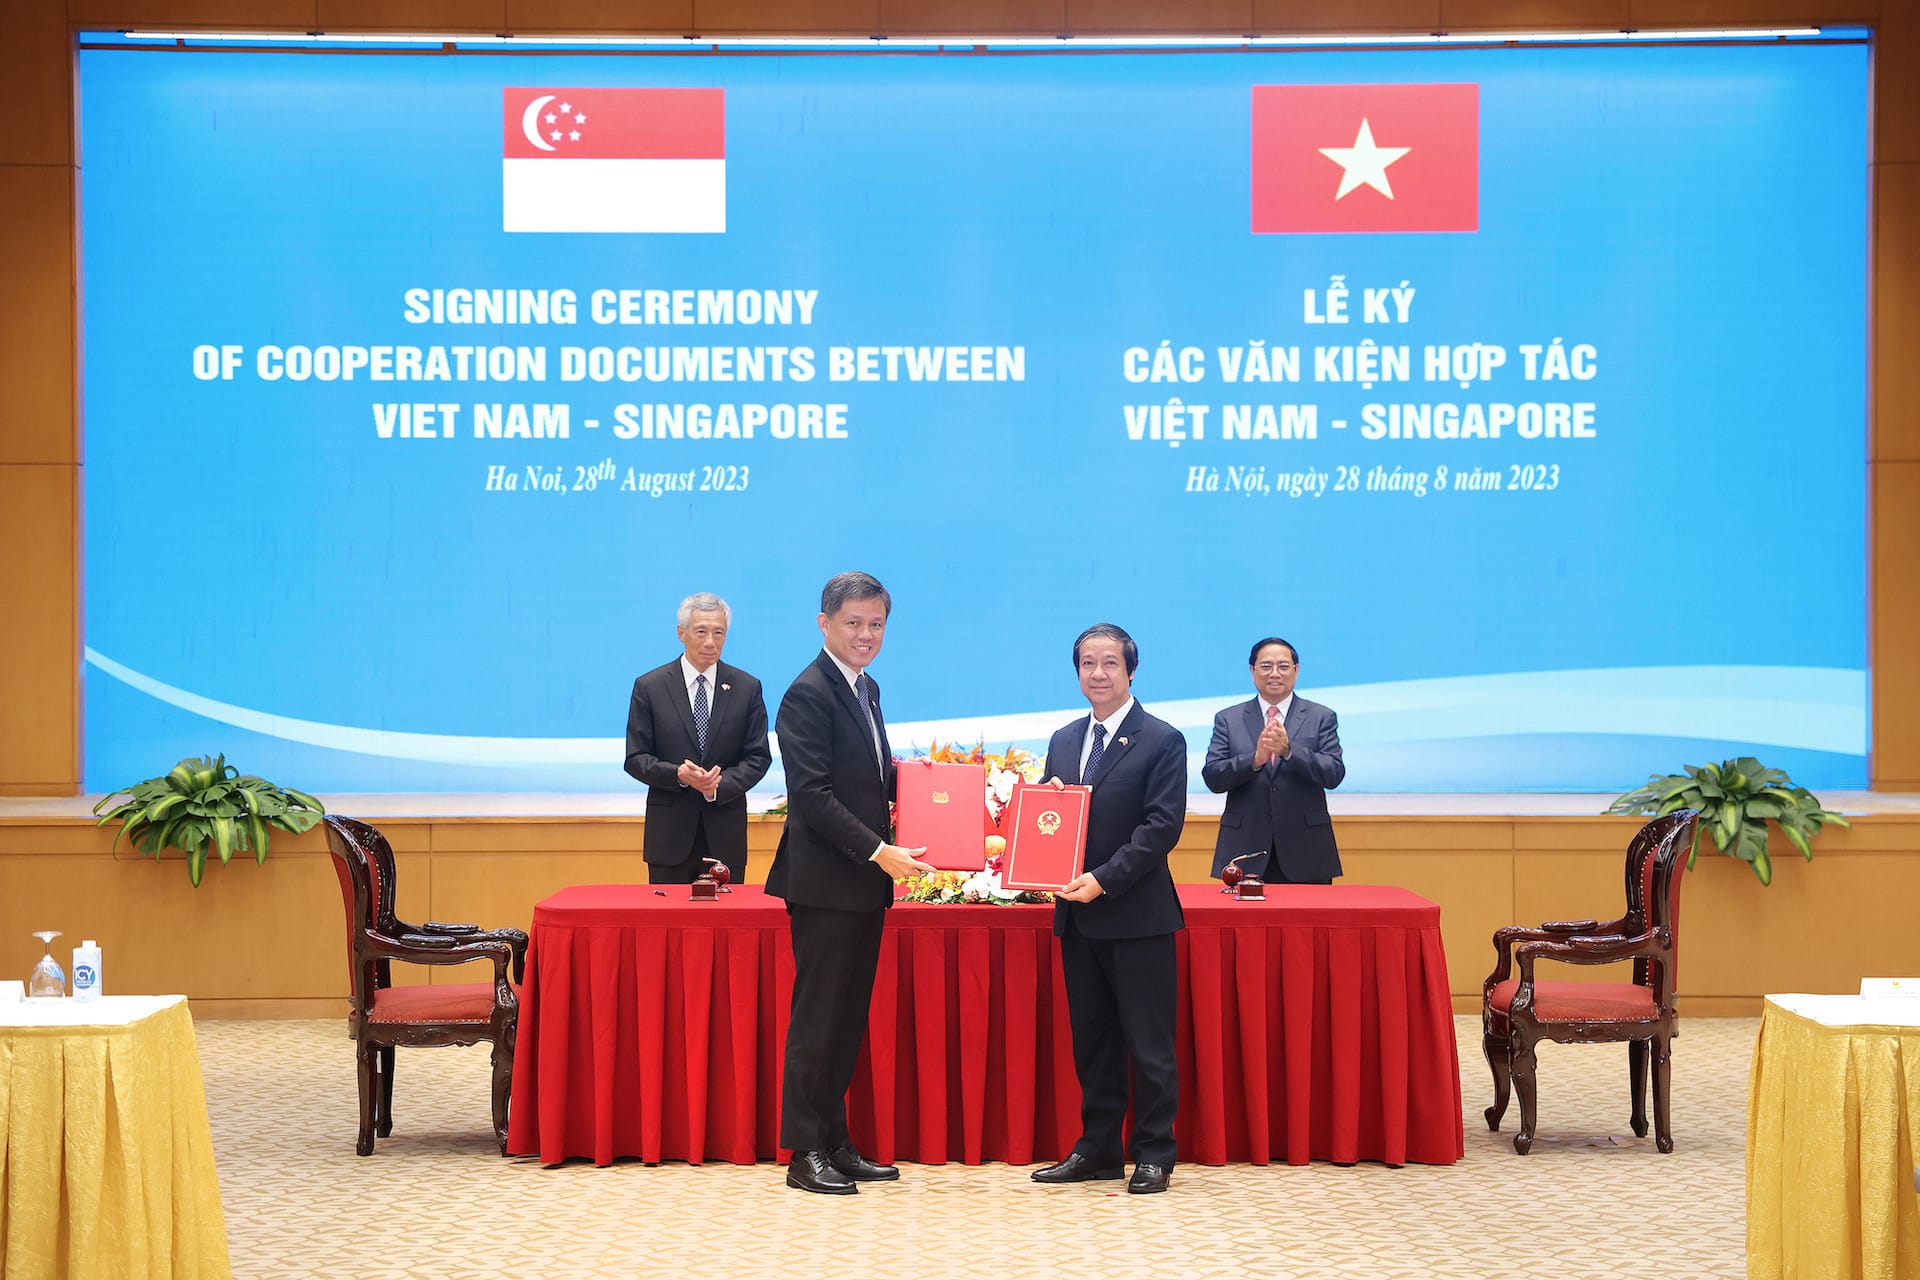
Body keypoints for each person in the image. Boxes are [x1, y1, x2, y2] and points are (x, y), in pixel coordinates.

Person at [765, 572, 934, 1195]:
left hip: (862, 884)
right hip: (825, 884)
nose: (867, 635)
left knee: (845, 1020)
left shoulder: (866, 689)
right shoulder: (808, 693)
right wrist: (877, 849)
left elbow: (870, 781)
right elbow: (811, 796)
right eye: (854, 624)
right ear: (824, 624)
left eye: (877, 625)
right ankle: (804, 1150)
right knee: (818, 1019)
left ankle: (835, 1139)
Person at [1031, 623, 1186, 1195]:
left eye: (1109, 664)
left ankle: (1153, 1153)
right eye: (1087, 664)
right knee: (1093, 1043)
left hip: (1137, 915)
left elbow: (1161, 828)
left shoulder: (1162, 739)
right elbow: (1054, 818)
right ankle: (1098, 1148)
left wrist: (1103, 879)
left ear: (1130, 670)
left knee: (1147, 1043)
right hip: (1078, 917)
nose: (1098, 673)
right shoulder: (1065, 738)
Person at [623, 593, 771, 884]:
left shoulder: (746, 687)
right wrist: (678, 774)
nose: (710, 642)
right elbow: (635, 758)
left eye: (719, 632)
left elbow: (758, 757)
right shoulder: (650, 687)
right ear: (682, 633)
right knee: (670, 925)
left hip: (725, 836)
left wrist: (718, 785)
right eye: (701, 631)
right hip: (669, 839)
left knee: (725, 926)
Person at [1201, 636, 1345, 885]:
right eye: (1266, 666)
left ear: (1296, 670)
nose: (1275, 673)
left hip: (1307, 850)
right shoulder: (1229, 719)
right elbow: (1213, 777)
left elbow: (1333, 774)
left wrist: (1290, 751)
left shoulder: (1321, 717)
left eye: (1283, 666)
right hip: (1245, 850)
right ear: (1252, 670)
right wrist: (1254, 760)